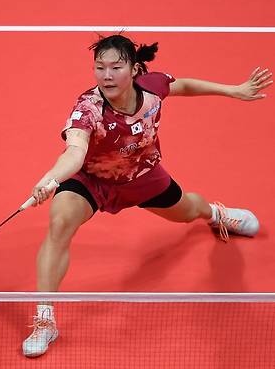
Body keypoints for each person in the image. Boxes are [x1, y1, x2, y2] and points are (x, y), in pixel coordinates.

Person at [22, 34, 272, 357]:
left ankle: (215, 214)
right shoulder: (88, 109)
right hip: (93, 181)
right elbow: (74, 152)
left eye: (115, 67)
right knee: (59, 223)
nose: (107, 75)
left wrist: (233, 90)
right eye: (99, 68)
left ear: (135, 69)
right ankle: (45, 320)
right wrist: (50, 179)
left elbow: (181, 85)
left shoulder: (152, 88)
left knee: (189, 210)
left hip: (143, 176)